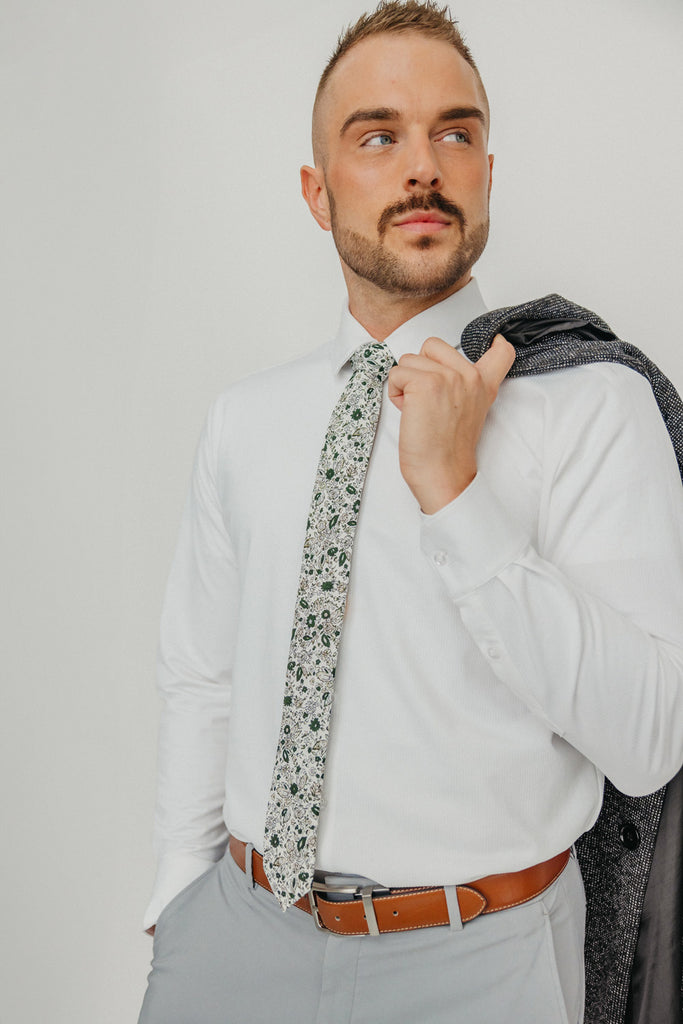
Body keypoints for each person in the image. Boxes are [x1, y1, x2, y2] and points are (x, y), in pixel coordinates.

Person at [138, 3, 683, 1022]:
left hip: (483, 963)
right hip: (235, 943)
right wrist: (179, 891)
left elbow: (651, 735)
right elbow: (201, 671)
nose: (421, 165)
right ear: (317, 190)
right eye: (376, 136)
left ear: (485, 173)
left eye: (455, 132)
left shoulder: (591, 402)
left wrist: (456, 496)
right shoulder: (244, 420)